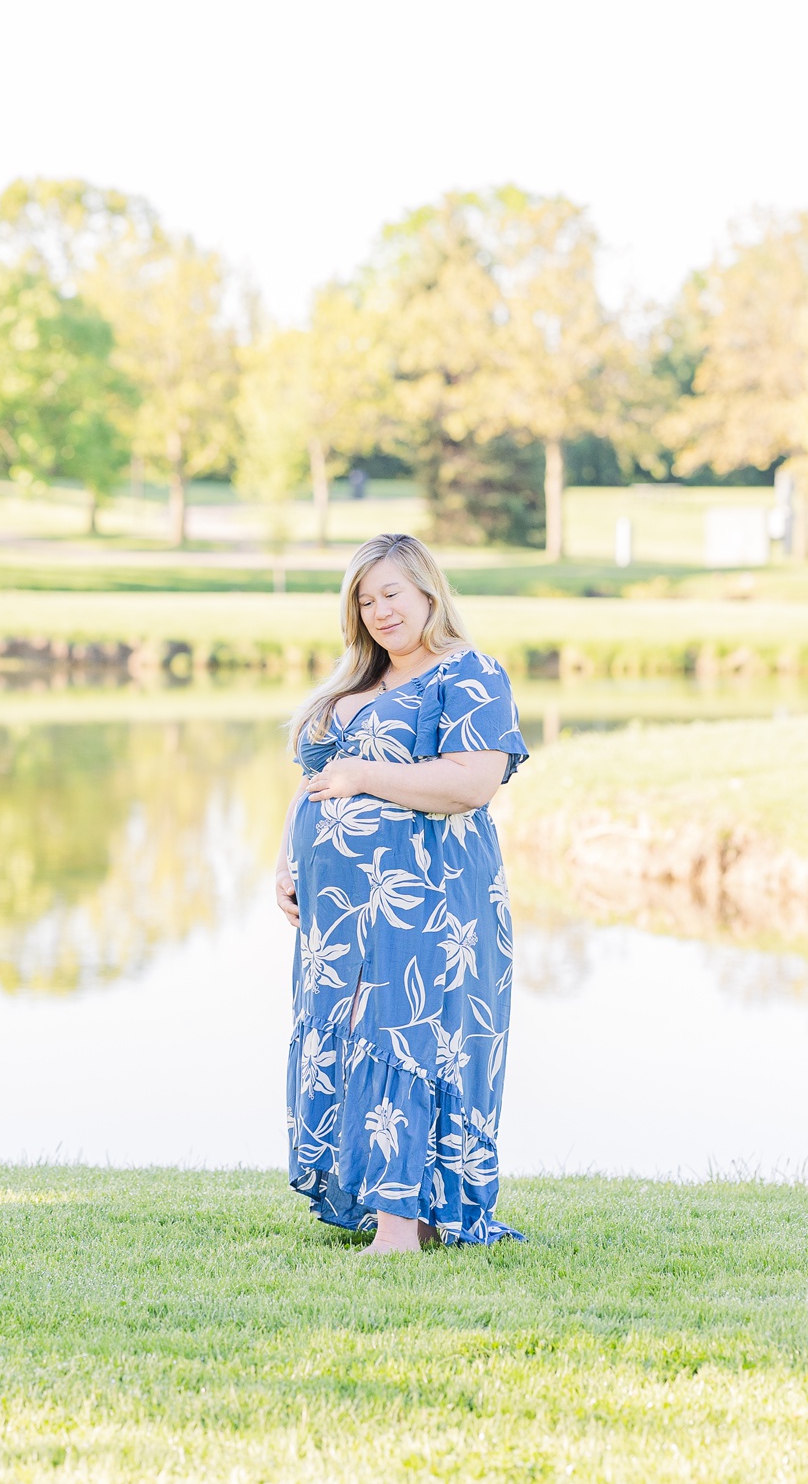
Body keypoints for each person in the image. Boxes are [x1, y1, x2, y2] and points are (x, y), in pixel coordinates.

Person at [274, 533, 528, 1253]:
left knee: (409, 1035)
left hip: (428, 896)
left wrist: (363, 777)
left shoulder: (468, 674)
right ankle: (383, 1205)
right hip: (339, 915)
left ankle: (401, 1228)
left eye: (391, 592)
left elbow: (471, 783)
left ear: (427, 591)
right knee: (351, 1038)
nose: (379, 610)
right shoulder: (351, 688)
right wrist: (286, 861)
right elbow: (311, 781)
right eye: (364, 598)